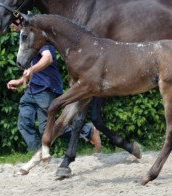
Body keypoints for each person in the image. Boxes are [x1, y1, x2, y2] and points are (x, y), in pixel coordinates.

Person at [7, 24, 101, 153]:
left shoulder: (39, 38)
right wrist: (20, 81)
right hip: (32, 89)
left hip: (46, 87)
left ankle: (89, 131)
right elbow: (31, 69)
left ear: (21, 21)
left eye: (12, 22)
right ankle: (36, 152)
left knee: (46, 128)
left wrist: (32, 70)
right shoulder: (26, 39)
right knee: (24, 122)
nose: (10, 25)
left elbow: (48, 58)